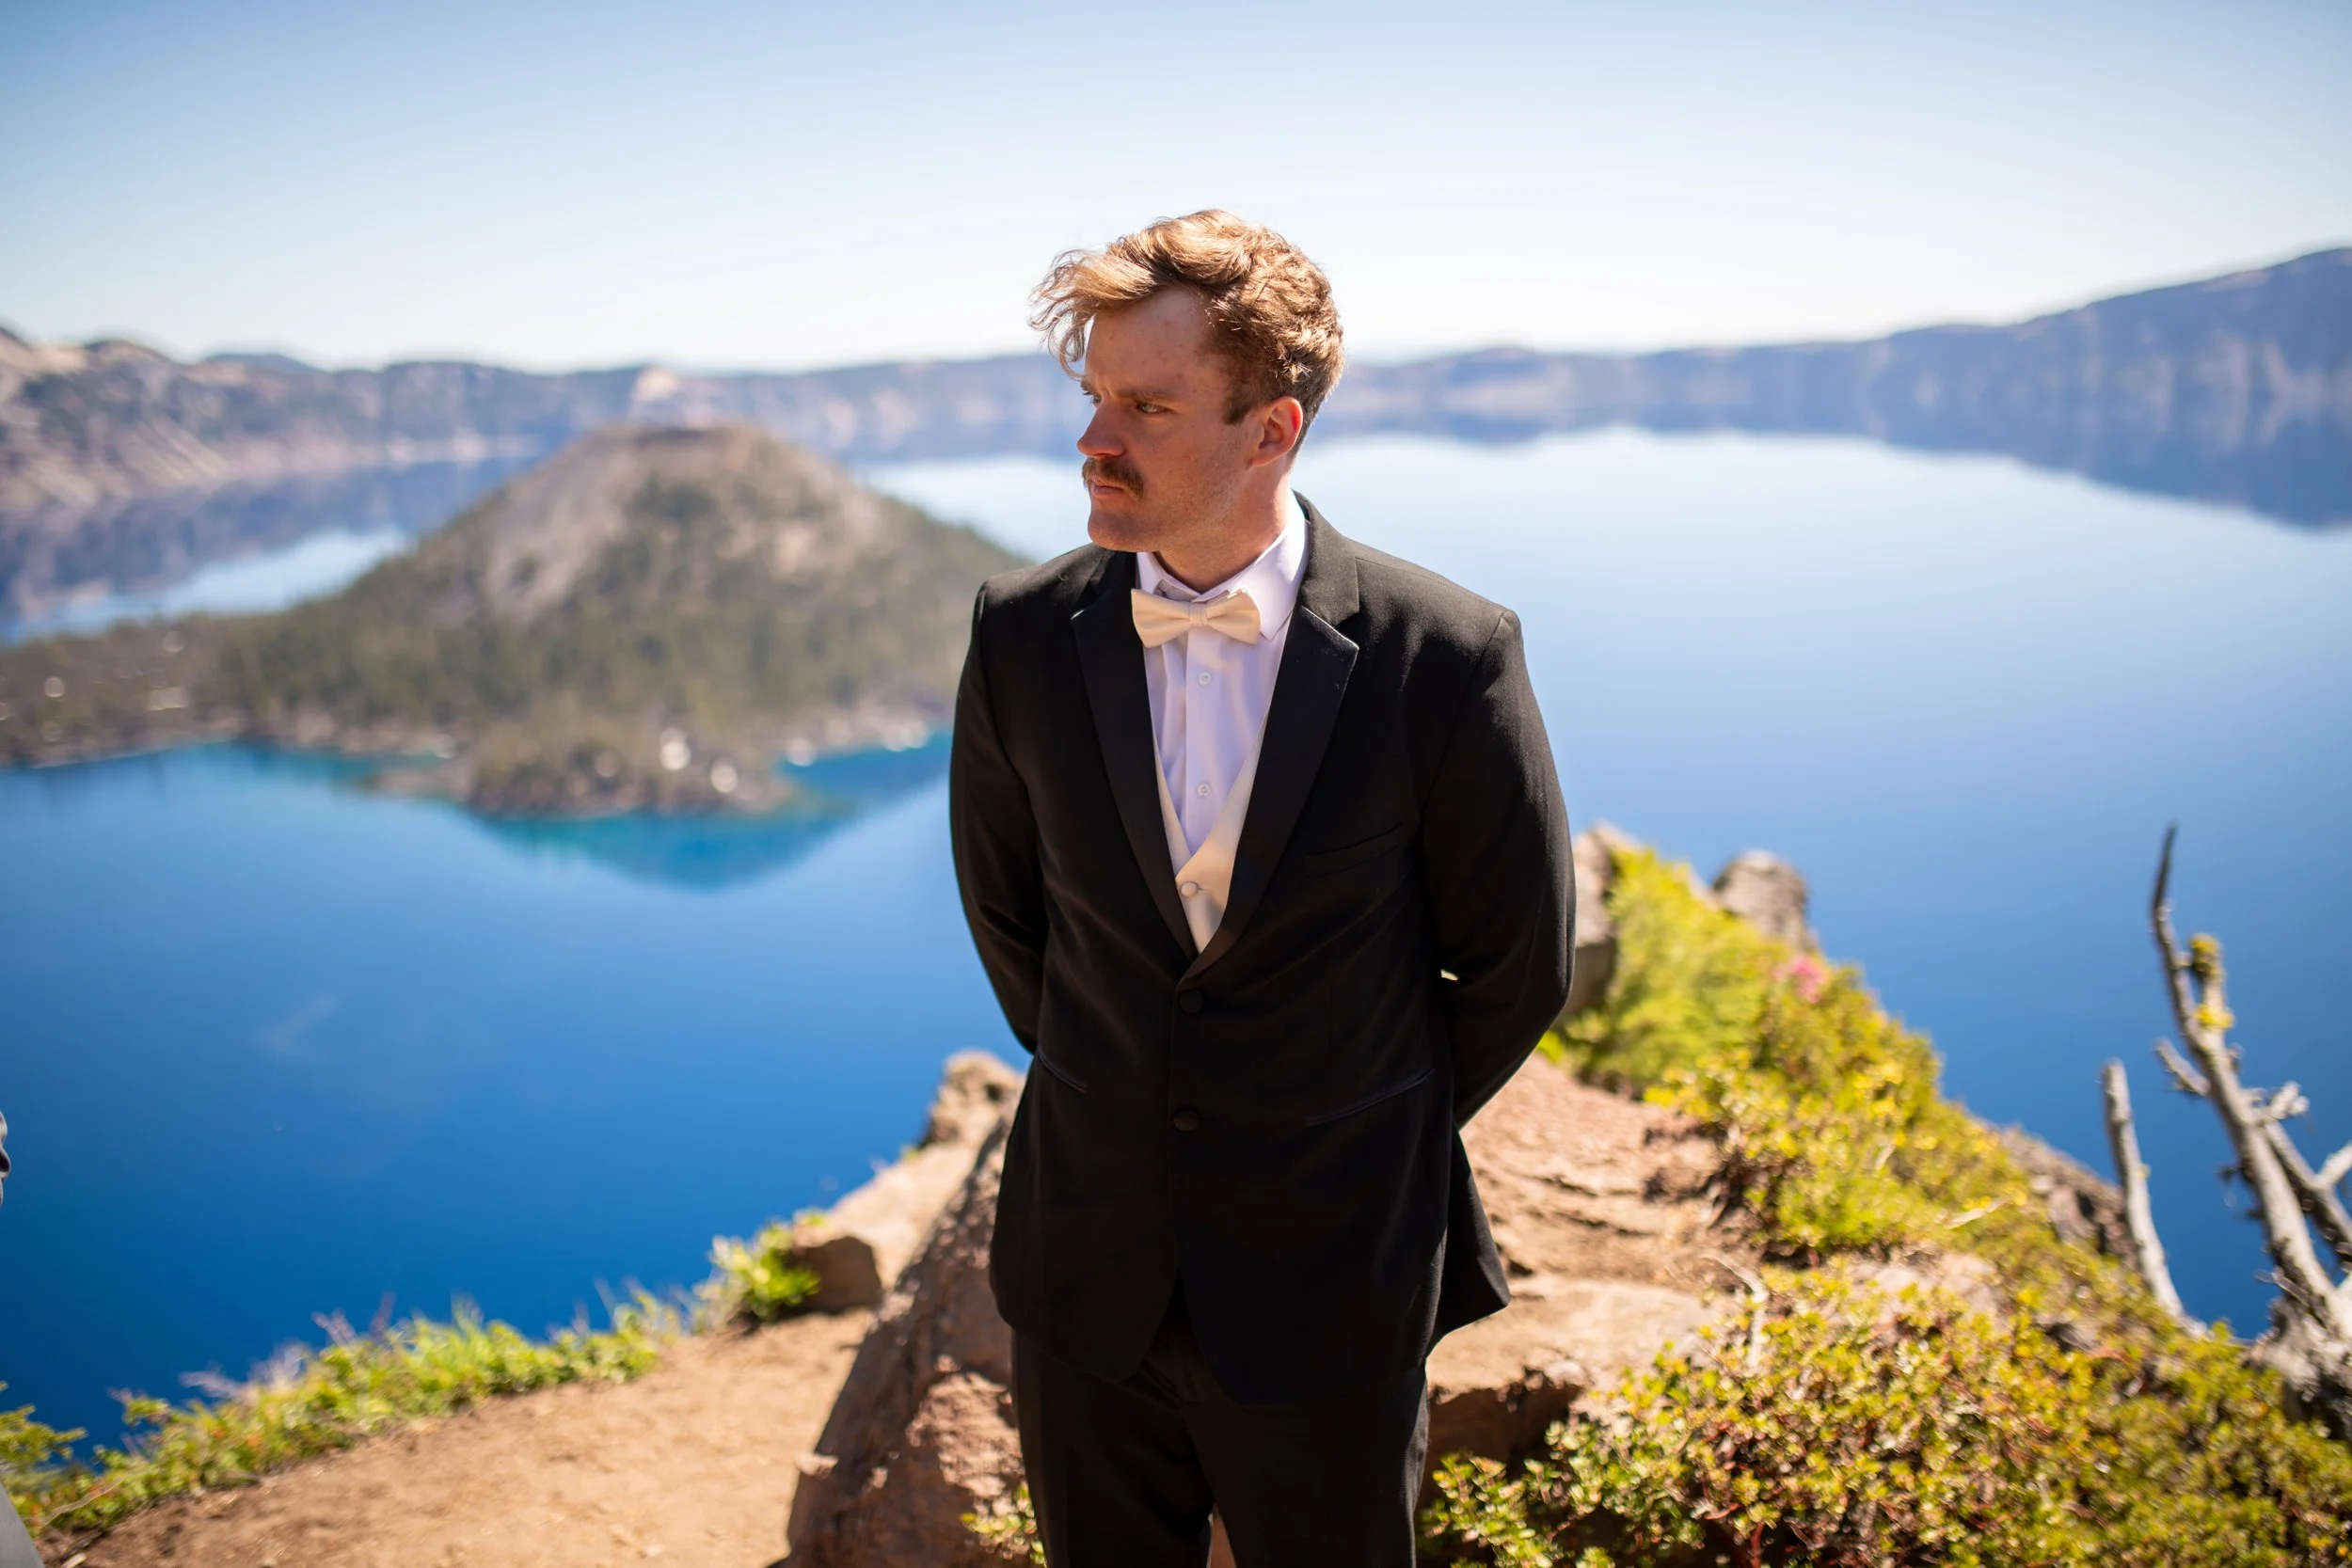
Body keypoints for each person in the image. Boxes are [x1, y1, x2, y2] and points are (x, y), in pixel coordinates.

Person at [949, 210, 1574, 1566]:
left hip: (1333, 1286)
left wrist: (1342, 1131)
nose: (1093, 440)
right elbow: (1010, 921)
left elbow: (1519, 968)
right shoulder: (1018, 636)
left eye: (1147, 405)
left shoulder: (1446, 656)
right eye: (1095, 398)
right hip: (1085, 1277)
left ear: (1271, 431)